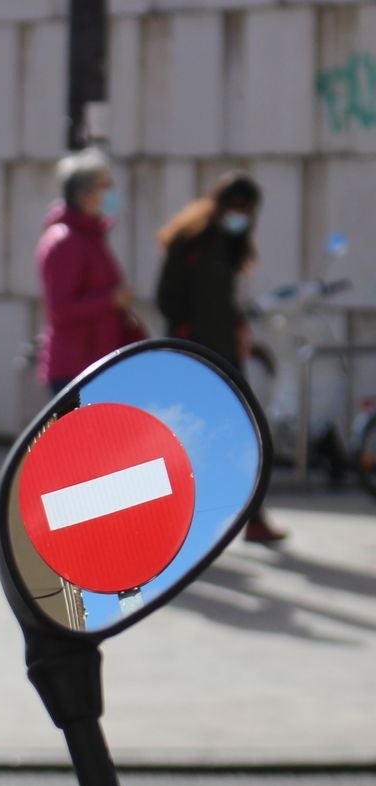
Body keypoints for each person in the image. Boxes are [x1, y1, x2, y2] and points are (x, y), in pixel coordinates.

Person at [155, 171, 287, 544]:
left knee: (244, 440)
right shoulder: (191, 242)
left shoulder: (229, 246)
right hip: (195, 360)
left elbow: (223, 305)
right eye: (236, 207)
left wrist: (241, 331)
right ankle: (175, 523)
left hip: (225, 359)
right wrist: (187, 347)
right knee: (195, 444)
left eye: (248, 210)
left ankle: (252, 517)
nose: (241, 215)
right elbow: (170, 300)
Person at [36, 148, 136, 396]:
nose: (111, 193)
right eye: (105, 186)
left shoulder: (90, 237)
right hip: (75, 369)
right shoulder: (64, 241)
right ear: (84, 195)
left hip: (97, 363)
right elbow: (59, 309)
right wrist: (111, 300)